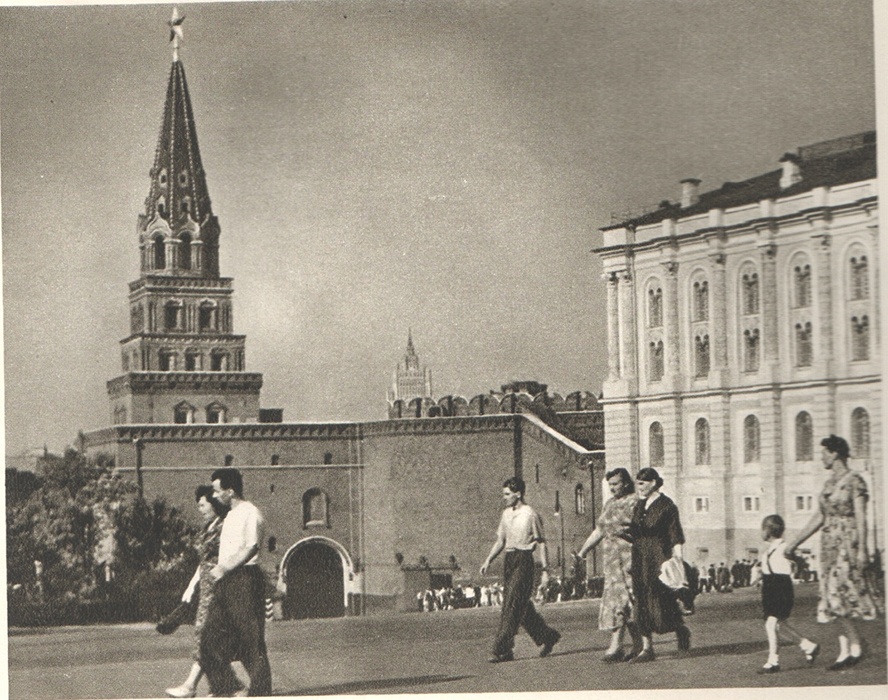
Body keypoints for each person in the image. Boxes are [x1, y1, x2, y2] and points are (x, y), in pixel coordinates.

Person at [785, 435, 882, 671]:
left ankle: (857, 646)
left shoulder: (855, 481)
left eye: (824, 453)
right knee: (830, 597)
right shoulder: (829, 484)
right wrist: (795, 542)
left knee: (840, 595)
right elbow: (820, 516)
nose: (821, 458)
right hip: (828, 547)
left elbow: (861, 518)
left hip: (847, 544)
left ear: (835, 453)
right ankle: (845, 652)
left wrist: (863, 549)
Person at [200, 468, 272, 696]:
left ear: (230, 492)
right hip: (225, 582)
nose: (214, 495)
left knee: (250, 640)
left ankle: (260, 692)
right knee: (208, 637)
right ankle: (225, 687)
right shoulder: (229, 515)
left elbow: (251, 546)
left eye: (216, 490)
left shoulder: (250, 513)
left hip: (244, 580)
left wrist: (225, 567)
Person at [166, 486, 243, 698]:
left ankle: (199, 686)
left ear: (213, 504)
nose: (199, 509)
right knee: (207, 635)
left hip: (220, 585)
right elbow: (203, 562)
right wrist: (192, 586)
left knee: (207, 634)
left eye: (202, 504)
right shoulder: (208, 527)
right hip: (207, 585)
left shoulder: (225, 526)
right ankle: (223, 687)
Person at [480, 476, 561, 663]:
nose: (504, 497)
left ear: (518, 493)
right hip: (509, 560)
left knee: (511, 603)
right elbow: (501, 540)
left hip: (524, 561)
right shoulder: (506, 514)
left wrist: (545, 571)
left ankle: (502, 648)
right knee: (522, 608)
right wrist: (488, 560)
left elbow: (541, 543)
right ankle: (547, 636)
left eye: (507, 494)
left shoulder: (530, 514)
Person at [627, 467, 691, 662]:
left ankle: (680, 629)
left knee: (661, 600)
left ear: (653, 483)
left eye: (642, 484)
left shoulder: (667, 506)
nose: (639, 487)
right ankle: (648, 649)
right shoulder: (639, 505)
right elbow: (637, 532)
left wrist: (677, 561)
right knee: (640, 599)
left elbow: (675, 535)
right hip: (640, 556)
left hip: (659, 557)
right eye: (638, 483)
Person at [577, 467, 639, 662]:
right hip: (611, 563)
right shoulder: (609, 504)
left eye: (616, 484)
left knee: (626, 602)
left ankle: (617, 646)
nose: (612, 488)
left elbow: (642, 532)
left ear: (626, 483)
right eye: (610, 484)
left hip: (629, 560)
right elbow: (599, 531)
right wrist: (583, 550)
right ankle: (634, 645)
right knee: (619, 602)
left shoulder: (634, 502)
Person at [757, 514, 820, 674]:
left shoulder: (785, 548)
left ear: (768, 531)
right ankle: (808, 646)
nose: (761, 533)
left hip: (781, 589)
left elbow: (794, 563)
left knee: (771, 624)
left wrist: (794, 565)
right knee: (779, 624)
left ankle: (773, 661)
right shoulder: (768, 550)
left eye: (762, 530)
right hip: (769, 589)